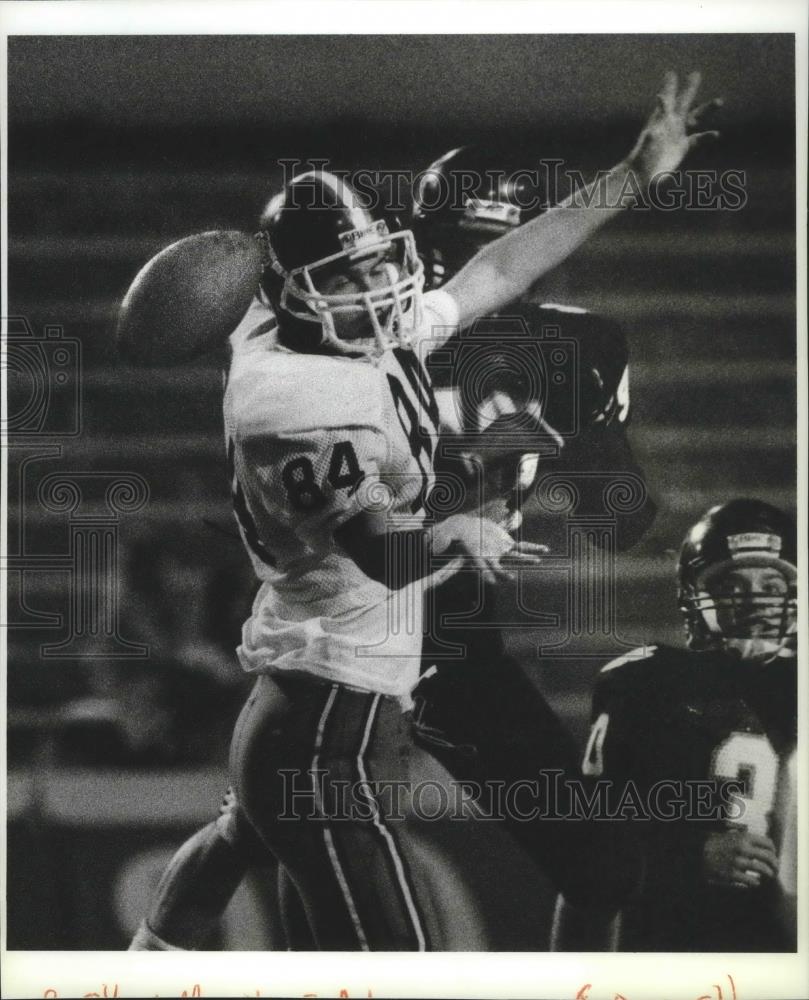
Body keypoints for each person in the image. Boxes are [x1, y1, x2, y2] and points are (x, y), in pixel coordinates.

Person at [130, 71, 719, 951]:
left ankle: (148, 960)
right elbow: (385, 556)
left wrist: (634, 171)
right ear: (289, 292)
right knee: (396, 958)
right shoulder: (294, 403)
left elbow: (503, 264)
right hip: (336, 710)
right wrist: (450, 529)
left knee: (239, 839)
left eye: (377, 262)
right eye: (349, 276)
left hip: (316, 679)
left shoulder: (313, 319)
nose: (380, 289)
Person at [553, 498, 798, 951]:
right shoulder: (646, 685)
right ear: (696, 595)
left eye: (771, 583)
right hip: (673, 939)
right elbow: (586, 854)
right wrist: (689, 853)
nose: (756, 601)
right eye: (733, 585)